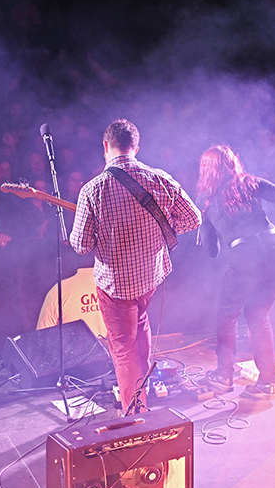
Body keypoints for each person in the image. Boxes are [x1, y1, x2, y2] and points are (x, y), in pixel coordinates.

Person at [69, 120, 201, 415]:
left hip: (115, 285)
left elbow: (80, 245)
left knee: (122, 347)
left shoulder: (93, 190)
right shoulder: (160, 179)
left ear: (105, 147)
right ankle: (143, 390)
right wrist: (163, 229)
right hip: (150, 277)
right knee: (140, 324)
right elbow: (194, 219)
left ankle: (135, 412)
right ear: (136, 148)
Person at [197, 140, 275, 398]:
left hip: (246, 255)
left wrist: (205, 227)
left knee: (227, 315)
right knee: (256, 313)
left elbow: (212, 252)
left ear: (206, 170)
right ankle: (267, 382)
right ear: (233, 164)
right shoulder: (250, 182)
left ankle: (223, 376)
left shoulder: (206, 200)